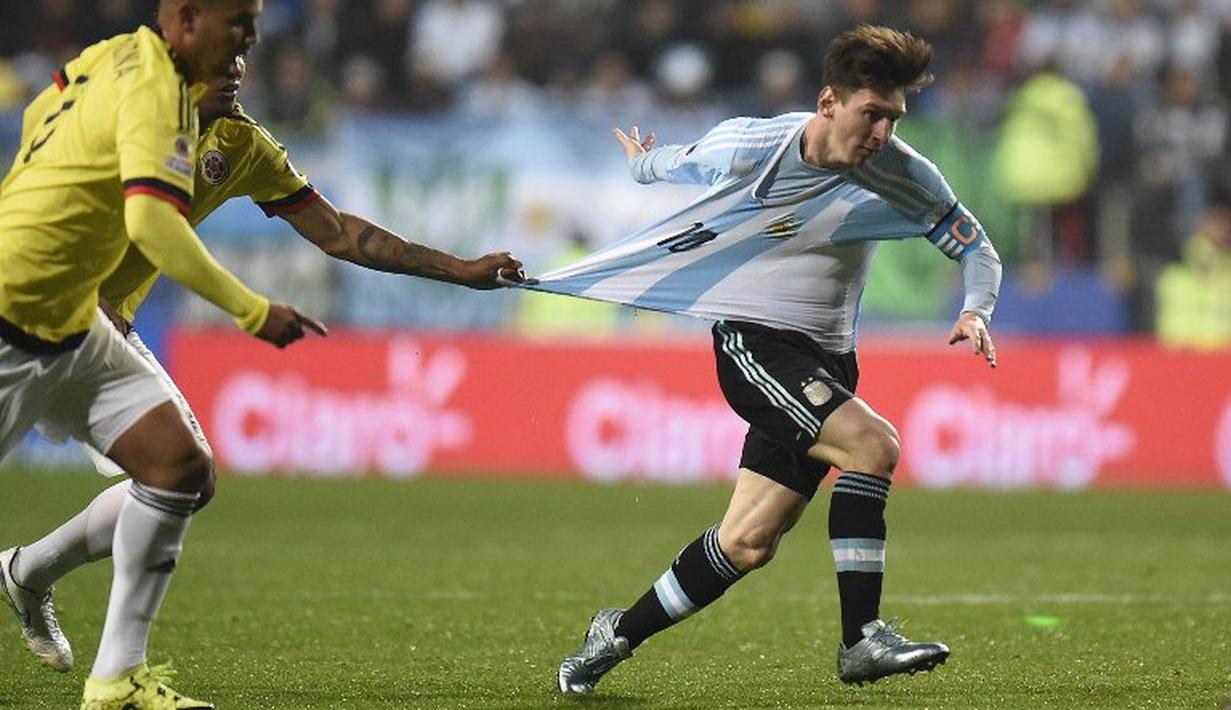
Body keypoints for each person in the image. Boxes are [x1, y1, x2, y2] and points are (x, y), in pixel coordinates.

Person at [1, 49, 523, 693]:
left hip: (93, 330)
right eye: (227, 44)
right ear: (186, 34)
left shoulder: (242, 146)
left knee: (184, 475)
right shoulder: (129, 99)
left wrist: (458, 268)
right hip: (25, 299)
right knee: (181, 474)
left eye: (246, 49)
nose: (238, 63)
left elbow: (336, 232)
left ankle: (45, 592)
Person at [539, 26, 1001, 693]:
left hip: (828, 362)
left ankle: (614, 634)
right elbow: (679, 162)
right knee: (873, 447)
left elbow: (975, 247)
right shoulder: (754, 144)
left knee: (746, 542)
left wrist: (975, 310)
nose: (880, 133)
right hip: (755, 343)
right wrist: (642, 162)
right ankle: (860, 640)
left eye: (892, 118)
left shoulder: (901, 173)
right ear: (827, 102)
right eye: (871, 114)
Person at [0, 2, 326, 707]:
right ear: (185, 18)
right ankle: (27, 577)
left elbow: (34, 121)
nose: (251, 38)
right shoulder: (157, 87)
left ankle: (114, 679)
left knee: (179, 469)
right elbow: (153, 221)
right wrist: (253, 309)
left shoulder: (108, 56)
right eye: (238, 22)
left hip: (73, 321)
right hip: (11, 318)